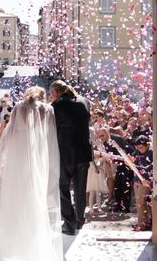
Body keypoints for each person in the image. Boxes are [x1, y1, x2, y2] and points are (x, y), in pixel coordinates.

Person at [0, 86, 62, 260]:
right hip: (37, 156)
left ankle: (16, 238)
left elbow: (9, 133)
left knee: (17, 194)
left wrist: (1, 155)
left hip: (18, 156)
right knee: (35, 193)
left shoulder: (18, 107)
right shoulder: (48, 109)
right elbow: (51, 138)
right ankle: (34, 236)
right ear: (42, 96)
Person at [49, 79, 93, 235]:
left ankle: (69, 224)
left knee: (63, 188)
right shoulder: (85, 101)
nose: (50, 97)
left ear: (55, 92)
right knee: (80, 190)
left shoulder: (56, 106)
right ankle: (79, 222)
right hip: (83, 152)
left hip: (65, 154)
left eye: (50, 94)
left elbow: (51, 131)